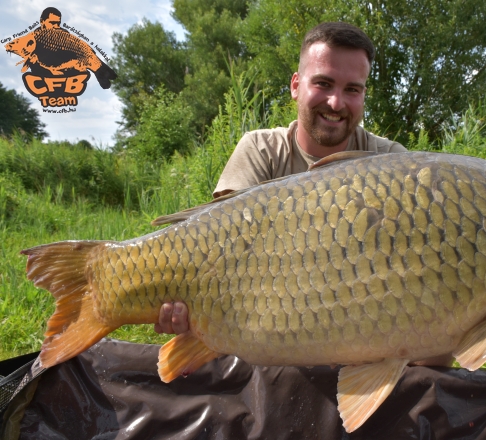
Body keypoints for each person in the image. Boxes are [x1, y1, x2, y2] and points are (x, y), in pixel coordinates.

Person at [154, 22, 407, 335]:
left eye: (352, 89)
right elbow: (217, 248)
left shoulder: (392, 162)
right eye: (323, 84)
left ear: (364, 94)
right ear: (295, 86)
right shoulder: (261, 149)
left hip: (356, 324)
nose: (336, 103)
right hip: (267, 326)